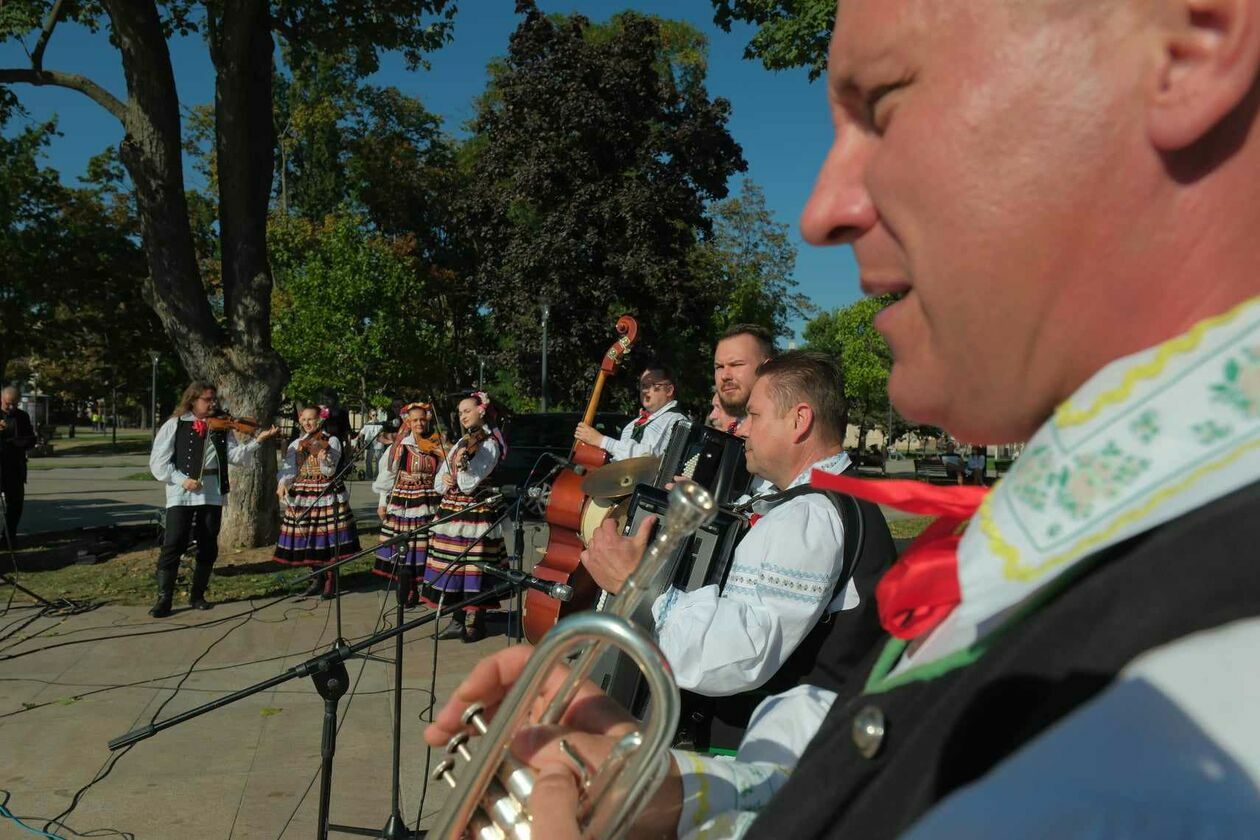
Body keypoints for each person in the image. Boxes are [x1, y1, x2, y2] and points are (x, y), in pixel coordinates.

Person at [426, 0, 1260, 837]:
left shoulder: (1206, 698)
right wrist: (658, 784)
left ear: (1188, 52)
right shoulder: (1074, 529)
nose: (823, 210)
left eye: (888, 104)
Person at [580, 353, 887, 717]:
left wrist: (635, 586)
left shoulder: (810, 516)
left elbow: (738, 655)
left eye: (754, 416)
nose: (741, 429)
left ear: (799, 420)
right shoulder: (831, 499)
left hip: (787, 749)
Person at [148, 383, 277, 618]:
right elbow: (158, 462)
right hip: (181, 492)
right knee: (174, 542)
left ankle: (198, 595)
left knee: (208, 543)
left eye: (214, 399)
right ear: (193, 400)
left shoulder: (220, 426)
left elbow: (234, 456)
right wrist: (181, 479)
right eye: (208, 399)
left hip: (212, 490)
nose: (213, 404)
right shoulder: (174, 424)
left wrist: (258, 441)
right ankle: (164, 598)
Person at [425, 392, 507, 643]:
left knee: (473, 565)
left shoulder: (489, 443)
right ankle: (456, 619)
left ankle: (476, 622)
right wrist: (446, 478)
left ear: (481, 411)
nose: (463, 416)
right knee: (451, 564)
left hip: (476, 512)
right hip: (452, 511)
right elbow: (440, 480)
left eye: (467, 411)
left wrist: (461, 469)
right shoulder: (462, 441)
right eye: (460, 412)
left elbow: (470, 484)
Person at [273, 405, 361, 597]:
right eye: (303, 420)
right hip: (303, 492)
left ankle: (331, 578)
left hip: (326, 492)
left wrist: (324, 459)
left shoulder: (331, 441)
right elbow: (289, 470)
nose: (307, 423)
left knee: (327, 536)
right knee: (306, 536)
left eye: (311, 419)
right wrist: (282, 483)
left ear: (319, 420)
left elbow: (330, 472)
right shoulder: (296, 443)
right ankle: (315, 577)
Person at [372, 402, 445, 607]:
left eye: (423, 419)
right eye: (415, 420)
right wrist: (382, 501)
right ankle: (407, 586)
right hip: (404, 499)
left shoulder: (435, 443)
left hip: (429, 499)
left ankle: (424, 586)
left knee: (426, 544)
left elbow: (443, 472)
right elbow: (387, 475)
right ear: (408, 422)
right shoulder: (400, 446)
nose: (420, 423)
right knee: (406, 544)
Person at [574, 366, 685, 461]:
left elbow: (647, 457)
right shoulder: (633, 424)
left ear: (669, 390)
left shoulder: (675, 420)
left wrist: (601, 441)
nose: (644, 391)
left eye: (651, 385)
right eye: (642, 386)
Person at [713, 323, 775, 433]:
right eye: (719, 367)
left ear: (767, 368)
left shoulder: (788, 429)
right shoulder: (736, 426)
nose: (724, 376)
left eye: (736, 364)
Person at [0, 387, 37, 545]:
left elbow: (29, 438)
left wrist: (24, 442)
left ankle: (9, 536)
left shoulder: (22, 416)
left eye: (15, 404)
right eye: (8, 404)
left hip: (14, 466)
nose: (11, 408)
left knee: (15, 504)